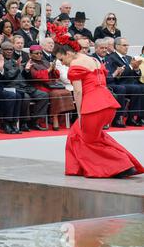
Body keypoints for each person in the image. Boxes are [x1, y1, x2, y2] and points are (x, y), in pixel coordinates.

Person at [55, 42, 143, 178]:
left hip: (93, 107)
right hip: (108, 104)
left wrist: (79, 113)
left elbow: (78, 92)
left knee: (87, 140)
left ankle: (123, 164)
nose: (63, 63)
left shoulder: (75, 64)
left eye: (61, 59)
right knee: (80, 135)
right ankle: (80, 168)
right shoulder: (93, 59)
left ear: (69, 53)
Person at [29, 44, 75, 130]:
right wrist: (48, 70)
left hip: (52, 85)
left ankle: (63, 118)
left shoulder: (45, 62)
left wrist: (54, 70)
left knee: (66, 92)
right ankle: (55, 117)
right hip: (40, 87)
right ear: (30, 54)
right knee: (56, 94)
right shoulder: (30, 63)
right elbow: (35, 76)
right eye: (36, 53)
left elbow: (56, 76)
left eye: (40, 53)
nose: (39, 55)